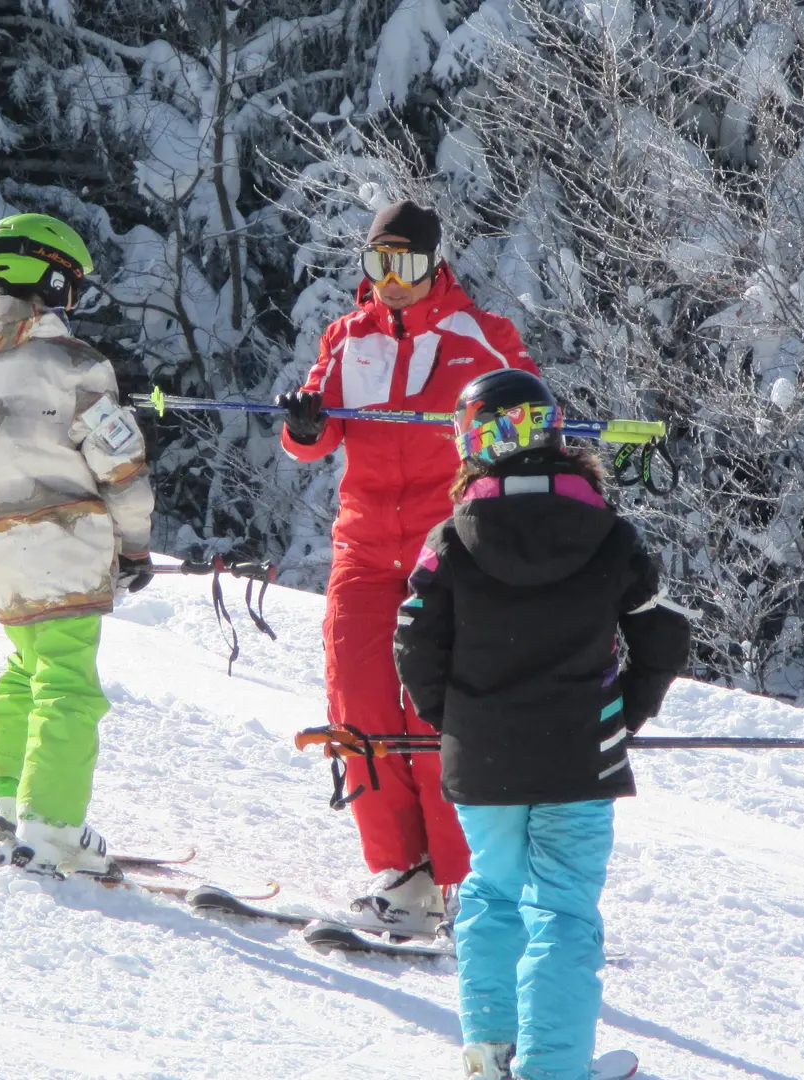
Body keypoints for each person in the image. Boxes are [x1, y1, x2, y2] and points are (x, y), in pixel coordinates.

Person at [392, 369, 691, 1080]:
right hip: (578, 758)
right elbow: (663, 636)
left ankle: (489, 1054)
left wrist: (456, 718)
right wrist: (628, 714)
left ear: (471, 446)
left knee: (492, 895)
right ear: (555, 434)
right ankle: (554, 1068)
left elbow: (413, 640)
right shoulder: (610, 535)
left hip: (483, 759)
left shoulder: (450, 538)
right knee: (562, 910)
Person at [279, 199, 539, 932]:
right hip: (364, 549)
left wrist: (503, 433)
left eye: (408, 264)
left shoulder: (479, 337)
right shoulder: (349, 336)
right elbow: (315, 431)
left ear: (435, 263)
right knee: (359, 706)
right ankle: (400, 871)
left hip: (445, 550)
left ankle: (461, 878)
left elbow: (527, 415)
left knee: (437, 710)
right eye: (378, 263)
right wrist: (303, 424)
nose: (392, 280)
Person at [0, 212, 155, 876]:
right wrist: (133, 547)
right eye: (71, 287)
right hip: (60, 545)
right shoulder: (74, 364)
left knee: (26, 665)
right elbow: (121, 468)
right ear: (51, 278)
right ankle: (51, 831)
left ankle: (5, 801)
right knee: (69, 686)